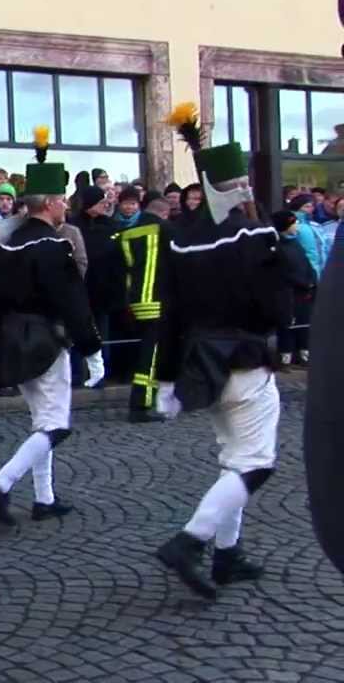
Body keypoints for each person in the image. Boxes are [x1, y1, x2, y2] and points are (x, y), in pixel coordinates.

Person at [153, 133, 285, 600]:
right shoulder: (253, 233)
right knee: (257, 465)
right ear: (236, 186)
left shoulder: (179, 239)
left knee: (234, 460)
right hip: (246, 360)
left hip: (201, 364)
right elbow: (276, 309)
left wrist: (165, 379)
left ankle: (228, 556)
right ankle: (190, 540)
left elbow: (170, 315)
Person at [0, 131, 102, 527]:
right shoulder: (52, 245)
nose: (66, 206)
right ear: (48, 204)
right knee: (55, 424)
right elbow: (72, 300)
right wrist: (92, 348)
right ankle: (2, 481)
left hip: (12, 336)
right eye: (62, 200)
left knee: (41, 420)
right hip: (45, 338)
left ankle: (45, 498)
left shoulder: (6, 246)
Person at [115, 195, 172, 422]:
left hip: (137, 300)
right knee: (152, 356)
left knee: (146, 352)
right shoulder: (166, 230)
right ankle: (141, 403)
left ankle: (146, 399)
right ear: (164, 213)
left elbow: (124, 268)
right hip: (159, 300)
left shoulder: (129, 232)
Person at [73, 184, 127, 382]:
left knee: (102, 335)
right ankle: (78, 375)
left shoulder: (111, 226)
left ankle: (101, 374)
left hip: (104, 291)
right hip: (80, 290)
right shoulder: (74, 225)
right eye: (100, 202)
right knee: (79, 334)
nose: (105, 205)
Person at [272, 210, 316, 366]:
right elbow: (282, 271)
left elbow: (306, 263)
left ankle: (304, 353)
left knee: (304, 324)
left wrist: (312, 280)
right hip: (290, 293)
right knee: (288, 325)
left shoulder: (295, 244)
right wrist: (302, 283)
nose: (297, 225)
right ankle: (285, 356)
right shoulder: (277, 247)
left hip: (304, 293)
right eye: (293, 222)